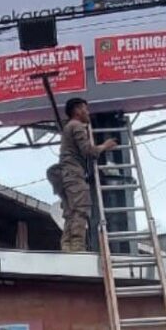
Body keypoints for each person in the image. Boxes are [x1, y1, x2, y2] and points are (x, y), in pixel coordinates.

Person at [50, 98, 117, 252]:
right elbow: (88, 151)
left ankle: (67, 246)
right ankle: (76, 247)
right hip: (73, 174)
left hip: (65, 175)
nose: (88, 112)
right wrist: (105, 146)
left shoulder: (69, 127)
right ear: (77, 110)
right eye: (85, 109)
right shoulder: (77, 126)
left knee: (70, 212)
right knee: (80, 209)